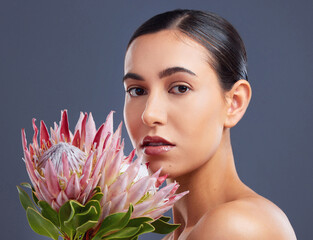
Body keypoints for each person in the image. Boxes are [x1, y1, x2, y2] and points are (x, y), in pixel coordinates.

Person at [122, 9, 297, 240]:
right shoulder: (179, 234)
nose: (150, 114)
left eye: (180, 88)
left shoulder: (236, 226)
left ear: (234, 102)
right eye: (137, 90)